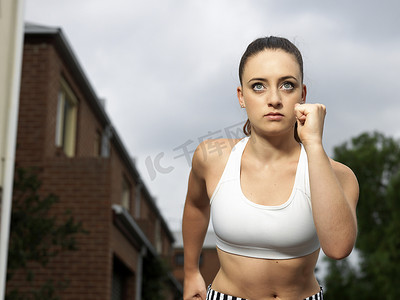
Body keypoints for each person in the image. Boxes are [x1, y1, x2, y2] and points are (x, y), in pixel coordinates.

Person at [182, 36, 359, 300]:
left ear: (303, 95)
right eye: (258, 86)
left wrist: (313, 143)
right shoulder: (211, 158)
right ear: (241, 96)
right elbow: (196, 207)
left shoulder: (338, 175)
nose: (274, 99)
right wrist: (190, 271)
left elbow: (338, 248)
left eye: (287, 85)